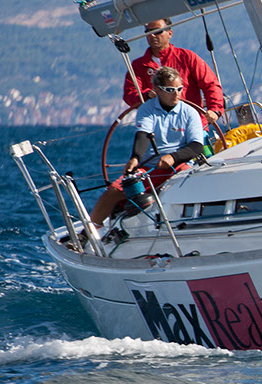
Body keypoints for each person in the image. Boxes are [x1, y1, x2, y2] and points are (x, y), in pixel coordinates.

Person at [90, 67, 205, 228]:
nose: (177, 94)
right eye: (170, 90)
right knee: (113, 192)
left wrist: (173, 157)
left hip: (179, 166)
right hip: (151, 168)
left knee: (188, 183)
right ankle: (88, 234)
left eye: (179, 89)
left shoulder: (190, 113)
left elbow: (196, 147)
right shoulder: (147, 109)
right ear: (157, 90)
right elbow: (143, 134)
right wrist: (135, 158)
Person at [123, 18, 224, 128]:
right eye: (148, 32)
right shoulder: (138, 66)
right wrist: (147, 95)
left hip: (193, 125)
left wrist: (215, 110)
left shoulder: (187, 57)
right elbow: (129, 94)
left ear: (169, 33)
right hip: (160, 130)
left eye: (157, 31)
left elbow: (210, 84)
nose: (152, 36)